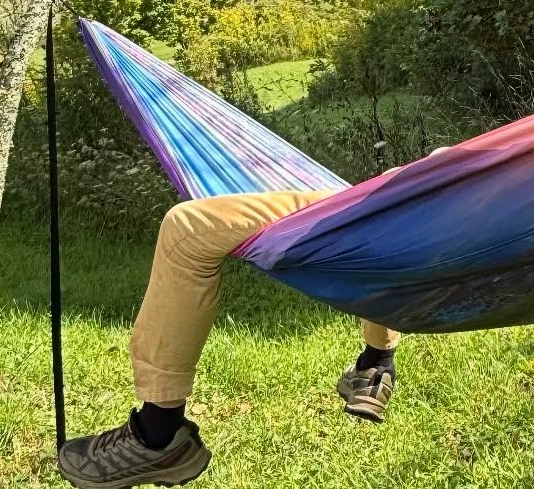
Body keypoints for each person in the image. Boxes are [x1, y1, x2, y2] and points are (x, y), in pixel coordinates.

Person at [57, 190, 401, 488]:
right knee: (396, 223)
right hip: (428, 202)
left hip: (428, 196)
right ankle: (376, 365)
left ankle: (158, 435)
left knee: (186, 229)